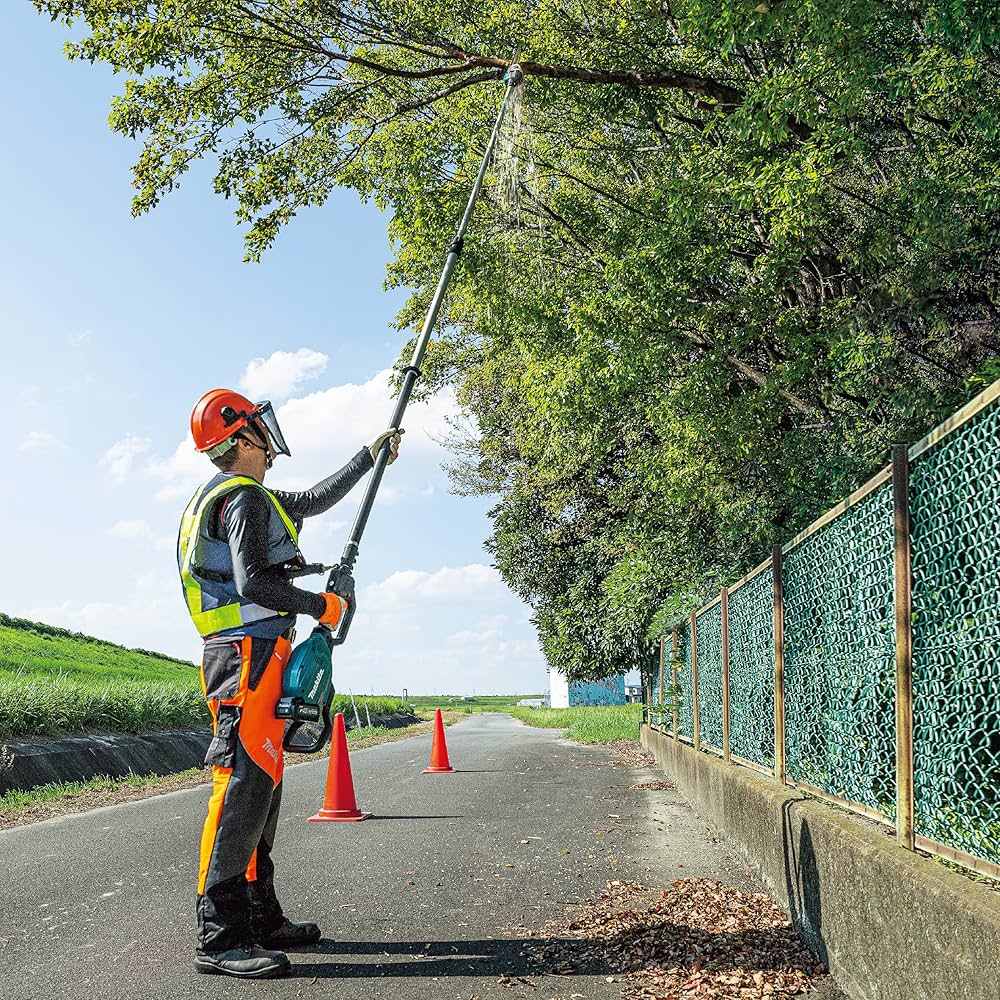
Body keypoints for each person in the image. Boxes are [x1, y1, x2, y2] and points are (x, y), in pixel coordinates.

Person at [176, 388, 401, 979]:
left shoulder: (244, 498)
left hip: (257, 655)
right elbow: (255, 585)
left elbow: (312, 499)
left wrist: (368, 456)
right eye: (260, 427)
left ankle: (260, 916)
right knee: (241, 789)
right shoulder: (242, 500)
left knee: (264, 791)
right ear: (244, 438)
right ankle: (219, 937)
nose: (271, 439)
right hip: (243, 659)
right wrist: (321, 605)